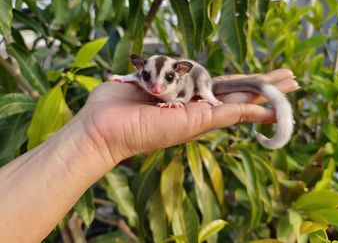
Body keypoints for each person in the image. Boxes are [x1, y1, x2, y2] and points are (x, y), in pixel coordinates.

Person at [0, 69, 298, 242]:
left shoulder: (182, 79)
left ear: (178, 72)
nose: (155, 88)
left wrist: (197, 98)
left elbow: (177, 87)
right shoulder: (146, 77)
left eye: (165, 80)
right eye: (146, 79)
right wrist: (94, 133)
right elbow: (142, 77)